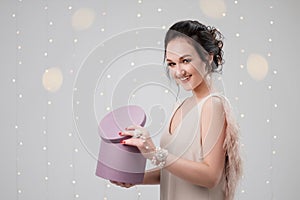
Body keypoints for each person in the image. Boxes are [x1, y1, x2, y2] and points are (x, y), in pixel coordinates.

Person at [111, 20, 242, 200]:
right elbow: (173, 173)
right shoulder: (180, 106)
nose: (179, 71)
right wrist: (134, 177)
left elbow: (211, 177)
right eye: (171, 64)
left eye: (185, 61)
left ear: (208, 57)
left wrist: (155, 153)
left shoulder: (212, 104)